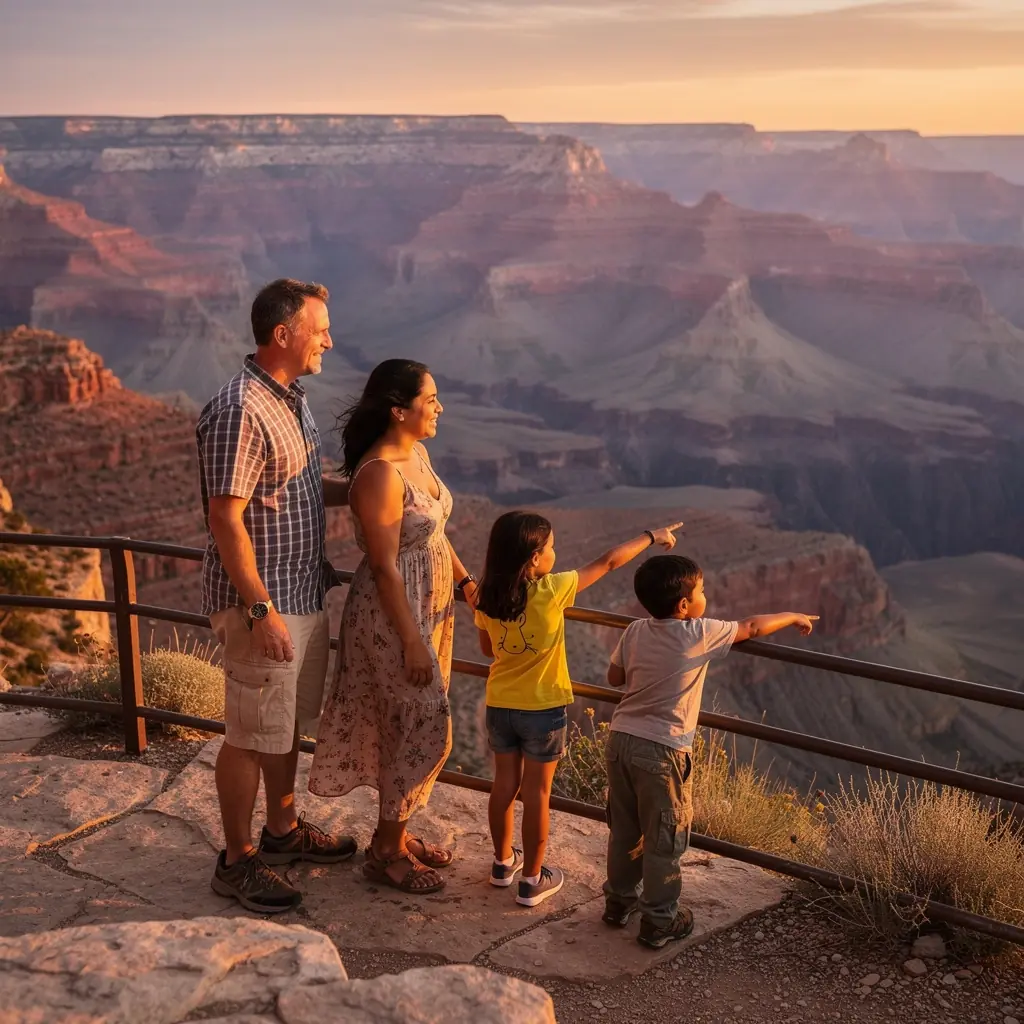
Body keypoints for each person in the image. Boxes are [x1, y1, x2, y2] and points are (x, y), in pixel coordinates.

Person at [197, 278, 356, 915]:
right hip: (261, 602)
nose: (330, 340)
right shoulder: (241, 408)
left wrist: (376, 487)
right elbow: (224, 519)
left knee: (283, 723)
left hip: (301, 587)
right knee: (246, 732)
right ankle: (236, 862)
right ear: (284, 334)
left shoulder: (290, 398)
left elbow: (298, 486)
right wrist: (259, 610)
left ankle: (283, 834)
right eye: (320, 330)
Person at [308, 359, 478, 895]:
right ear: (399, 409)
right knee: (424, 721)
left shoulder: (417, 455)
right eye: (431, 400)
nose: (439, 408)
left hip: (432, 605)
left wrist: (467, 583)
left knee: (408, 723)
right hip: (392, 614)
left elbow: (434, 533)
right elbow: (383, 565)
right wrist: (411, 640)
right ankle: (384, 851)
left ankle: (395, 835)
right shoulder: (381, 472)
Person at [602, 554, 818, 948]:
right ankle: (658, 921)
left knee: (625, 830)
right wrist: (791, 614)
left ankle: (617, 904)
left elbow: (614, 677)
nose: (707, 596)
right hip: (663, 750)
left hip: (620, 740)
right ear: (683, 605)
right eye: (702, 590)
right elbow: (752, 626)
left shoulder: (634, 630)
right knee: (665, 839)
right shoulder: (698, 633)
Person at [474, 512, 684, 908]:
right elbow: (607, 562)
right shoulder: (552, 589)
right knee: (537, 793)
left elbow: (488, 650)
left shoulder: (486, 596)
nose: (556, 553)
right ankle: (533, 879)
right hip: (543, 708)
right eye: (551, 547)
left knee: (504, 786)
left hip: (500, 704)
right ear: (534, 558)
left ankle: (502, 865)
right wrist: (650, 536)